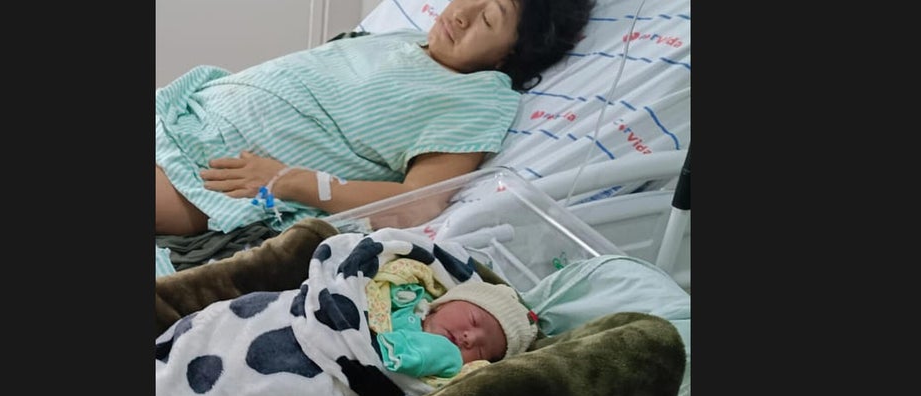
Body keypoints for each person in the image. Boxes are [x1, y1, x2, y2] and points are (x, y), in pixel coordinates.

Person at [155, 0, 596, 243]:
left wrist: (291, 182)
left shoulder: (479, 98)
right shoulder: (407, 39)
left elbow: (416, 205)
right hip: (181, 112)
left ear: (510, 55)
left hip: (205, 176)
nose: (462, 13)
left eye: (488, 18)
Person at [155, 227, 539, 396]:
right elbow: (350, 278)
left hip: (332, 377)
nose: (471, 337)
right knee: (223, 330)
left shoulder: (442, 370)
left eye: (482, 349)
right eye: (473, 320)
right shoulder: (398, 287)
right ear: (444, 300)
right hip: (296, 322)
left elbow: (427, 390)